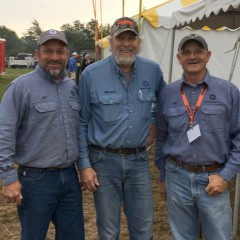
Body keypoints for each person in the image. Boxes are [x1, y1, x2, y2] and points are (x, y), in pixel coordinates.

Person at [78, 17, 166, 240]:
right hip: (103, 162)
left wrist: (154, 120)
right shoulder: (91, 74)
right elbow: (81, 122)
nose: (126, 44)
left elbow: (164, 101)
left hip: (138, 161)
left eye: (131, 38)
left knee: (144, 227)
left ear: (139, 42)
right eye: (120, 39)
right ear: (110, 42)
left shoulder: (153, 70)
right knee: (109, 230)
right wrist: (84, 166)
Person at [0, 29, 85, 240]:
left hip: (69, 177)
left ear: (67, 55)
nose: (54, 57)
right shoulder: (20, 87)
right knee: (33, 236)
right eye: (48, 51)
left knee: (73, 236)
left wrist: (84, 166)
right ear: (37, 55)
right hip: (35, 181)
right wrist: (8, 178)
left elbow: (78, 130)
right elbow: (4, 133)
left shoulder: (71, 87)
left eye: (60, 51)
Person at [154, 34, 240, 240]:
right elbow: (162, 137)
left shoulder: (228, 91)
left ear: (208, 55)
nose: (192, 57)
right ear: (179, 57)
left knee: (219, 236)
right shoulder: (168, 93)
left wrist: (226, 175)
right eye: (187, 52)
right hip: (177, 177)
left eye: (198, 52)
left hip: (214, 178)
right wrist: (163, 177)